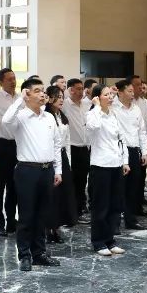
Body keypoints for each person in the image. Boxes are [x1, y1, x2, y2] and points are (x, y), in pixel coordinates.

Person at [2, 78, 62, 272]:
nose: (42, 94)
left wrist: (58, 170)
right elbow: (5, 121)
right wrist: (20, 100)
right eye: (37, 91)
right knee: (26, 215)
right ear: (27, 94)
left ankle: (39, 253)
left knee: (42, 215)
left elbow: (57, 144)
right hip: (27, 170)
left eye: (43, 90)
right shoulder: (20, 116)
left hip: (47, 169)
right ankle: (25, 255)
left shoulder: (49, 117)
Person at [86, 85, 130, 256]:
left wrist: (124, 161)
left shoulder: (113, 115)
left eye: (111, 94)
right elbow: (94, 127)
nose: (111, 97)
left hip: (115, 164)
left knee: (114, 205)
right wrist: (97, 107)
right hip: (100, 166)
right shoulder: (92, 114)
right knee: (100, 206)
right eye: (106, 95)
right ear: (97, 97)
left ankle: (110, 240)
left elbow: (121, 139)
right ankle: (98, 242)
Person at [113, 79, 147, 230]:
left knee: (133, 187)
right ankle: (114, 223)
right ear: (120, 92)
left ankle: (131, 220)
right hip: (119, 151)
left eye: (133, 91)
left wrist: (144, 151)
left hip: (134, 151)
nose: (133, 94)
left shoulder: (136, 109)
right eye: (129, 91)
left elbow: (142, 131)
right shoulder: (113, 107)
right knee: (117, 188)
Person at [0, 68, 18, 237]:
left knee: (14, 187)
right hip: (0, 145)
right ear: (1, 82)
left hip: (18, 146)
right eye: (9, 79)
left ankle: (12, 220)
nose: (13, 81)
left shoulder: (20, 98)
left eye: (14, 78)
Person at [44, 86, 77, 243]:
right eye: (58, 96)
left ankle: (56, 227)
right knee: (52, 194)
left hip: (63, 156)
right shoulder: (46, 116)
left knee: (63, 195)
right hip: (50, 157)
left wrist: (68, 161)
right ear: (50, 98)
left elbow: (67, 141)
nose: (61, 99)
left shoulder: (62, 116)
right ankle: (48, 229)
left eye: (62, 96)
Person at [63, 78, 92, 216]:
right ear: (71, 90)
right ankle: (72, 210)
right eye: (78, 89)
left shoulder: (87, 104)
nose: (81, 92)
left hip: (85, 148)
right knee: (72, 180)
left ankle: (81, 207)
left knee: (82, 180)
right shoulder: (65, 105)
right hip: (72, 148)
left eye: (82, 89)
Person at [130, 75, 147, 209]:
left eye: (141, 85)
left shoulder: (145, 103)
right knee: (131, 177)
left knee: (141, 174)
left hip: (142, 143)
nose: (140, 87)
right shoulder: (126, 102)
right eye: (137, 85)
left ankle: (139, 202)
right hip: (130, 144)